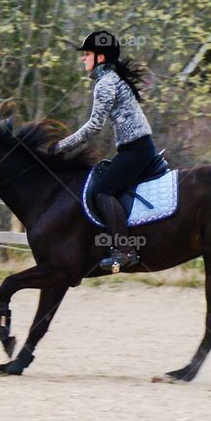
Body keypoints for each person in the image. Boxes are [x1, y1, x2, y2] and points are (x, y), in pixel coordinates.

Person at [52, 30, 158, 272]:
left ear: (100, 58)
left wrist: (61, 146)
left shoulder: (106, 83)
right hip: (135, 148)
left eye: (87, 54)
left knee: (102, 192)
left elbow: (94, 127)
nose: (83, 58)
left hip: (137, 150)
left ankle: (124, 251)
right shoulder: (112, 79)